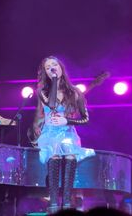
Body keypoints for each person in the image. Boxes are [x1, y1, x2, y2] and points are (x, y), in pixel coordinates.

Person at [28, 56, 95, 214]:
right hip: (50, 133)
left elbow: (85, 119)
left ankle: (66, 204)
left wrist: (67, 121)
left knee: (70, 155)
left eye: (54, 64)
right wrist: (55, 81)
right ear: (45, 72)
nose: (52, 67)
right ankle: (53, 204)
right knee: (55, 154)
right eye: (47, 67)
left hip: (68, 133)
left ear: (61, 67)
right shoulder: (42, 91)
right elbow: (51, 105)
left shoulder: (75, 92)